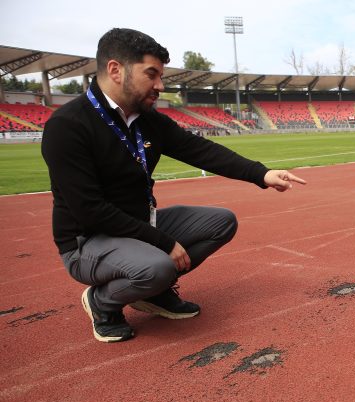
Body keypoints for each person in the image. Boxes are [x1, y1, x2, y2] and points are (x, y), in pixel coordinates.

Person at [41, 28, 306, 343]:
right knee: (159, 265)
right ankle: (103, 303)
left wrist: (261, 174)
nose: (160, 85)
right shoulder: (68, 126)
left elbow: (201, 151)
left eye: (160, 75)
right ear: (115, 70)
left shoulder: (146, 119)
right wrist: (163, 241)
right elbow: (90, 212)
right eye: (151, 74)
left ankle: (154, 293)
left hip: (137, 227)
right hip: (87, 240)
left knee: (221, 223)